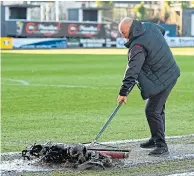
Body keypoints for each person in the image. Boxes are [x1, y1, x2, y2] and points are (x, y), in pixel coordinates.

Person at [117, 17, 180, 156]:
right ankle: (155, 138)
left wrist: (123, 92)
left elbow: (132, 70)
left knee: (152, 110)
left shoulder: (137, 46)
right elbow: (161, 30)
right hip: (168, 71)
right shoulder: (149, 26)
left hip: (164, 76)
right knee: (157, 108)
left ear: (130, 28)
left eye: (123, 32)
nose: (123, 36)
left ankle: (161, 146)